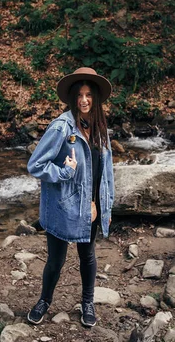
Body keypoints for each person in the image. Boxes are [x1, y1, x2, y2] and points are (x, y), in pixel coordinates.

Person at [26, 67, 115, 327]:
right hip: (64, 207)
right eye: (79, 95)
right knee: (56, 259)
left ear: (96, 98)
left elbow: (103, 172)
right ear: (73, 98)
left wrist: (100, 204)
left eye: (89, 95)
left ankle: (87, 303)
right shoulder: (62, 128)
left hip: (92, 208)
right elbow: (35, 165)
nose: (84, 100)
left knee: (87, 256)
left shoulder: (100, 128)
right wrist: (64, 171)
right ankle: (44, 300)